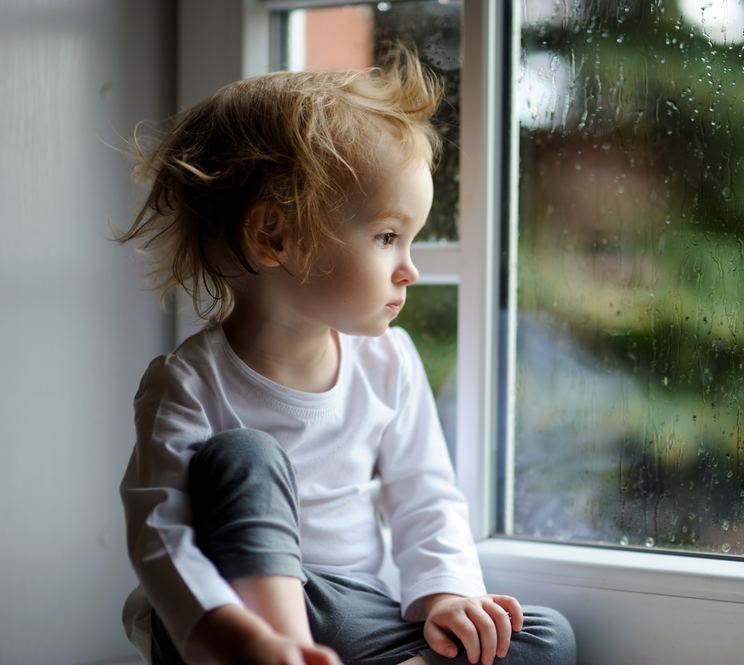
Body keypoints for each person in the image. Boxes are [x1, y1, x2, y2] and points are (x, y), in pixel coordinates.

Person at [116, 50, 576, 665]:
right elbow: (161, 535)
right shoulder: (188, 384)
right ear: (273, 236)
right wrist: (237, 637)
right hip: (227, 620)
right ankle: (281, 652)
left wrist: (448, 595)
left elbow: (425, 495)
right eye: (388, 236)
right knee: (244, 454)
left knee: (541, 636)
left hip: (358, 610)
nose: (410, 268)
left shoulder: (389, 361)